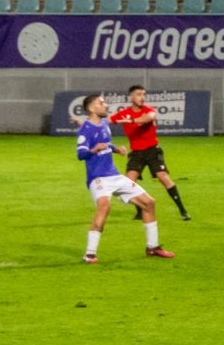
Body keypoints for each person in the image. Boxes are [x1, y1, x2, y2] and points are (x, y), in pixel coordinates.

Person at [75, 92, 172, 263]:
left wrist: (115, 149)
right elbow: (80, 154)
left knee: (149, 203)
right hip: (98, 179)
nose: (106, 105)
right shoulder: (85, 129)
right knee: (104, 207)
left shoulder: (104, 123)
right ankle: (89, 254)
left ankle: (152, 247)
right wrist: (93, 150)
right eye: (102, 103)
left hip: (114, 175)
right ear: (92, 108)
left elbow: (106, 143)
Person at [111, 85, 190, 221]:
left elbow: (148, 118)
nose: (142, 97)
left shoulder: (148, 110)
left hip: (152, 150)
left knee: (163, 177)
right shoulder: (124, 113)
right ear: (131, 97)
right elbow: (105, 121)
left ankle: (182, 210)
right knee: (128, 182)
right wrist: (83, 123)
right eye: (138, 94)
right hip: (136, 153)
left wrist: (131, 120)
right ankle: (140, 210)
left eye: (143, 94)